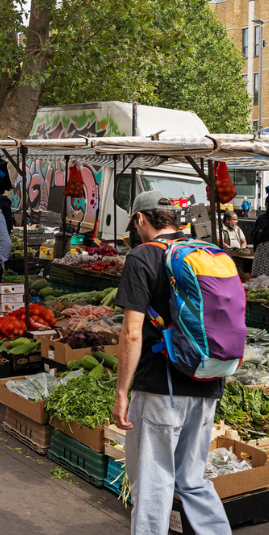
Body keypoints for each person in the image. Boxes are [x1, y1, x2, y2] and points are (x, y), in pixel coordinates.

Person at [113, 192, 229, 534]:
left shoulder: (143, 257)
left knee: (153, 481)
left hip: (162, 386)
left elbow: (132, 334)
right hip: (209, 377)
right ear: (175, 220)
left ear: (140, 220)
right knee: (192, 479)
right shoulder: (209, 253)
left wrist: (122, 391)